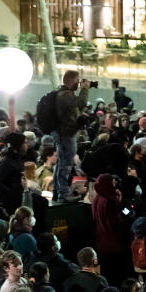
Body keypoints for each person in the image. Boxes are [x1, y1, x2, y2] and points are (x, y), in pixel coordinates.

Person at [53, 70, 90, 202]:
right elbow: (81, 103)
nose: (78, 83)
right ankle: (63, 192)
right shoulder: (65, 95)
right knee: (66, 164)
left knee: (61, 163)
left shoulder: (62, 93)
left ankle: (57, 191)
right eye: (77, 80)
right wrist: (84, 89)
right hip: (66, 134)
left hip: (65, 133)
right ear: (70, 80)